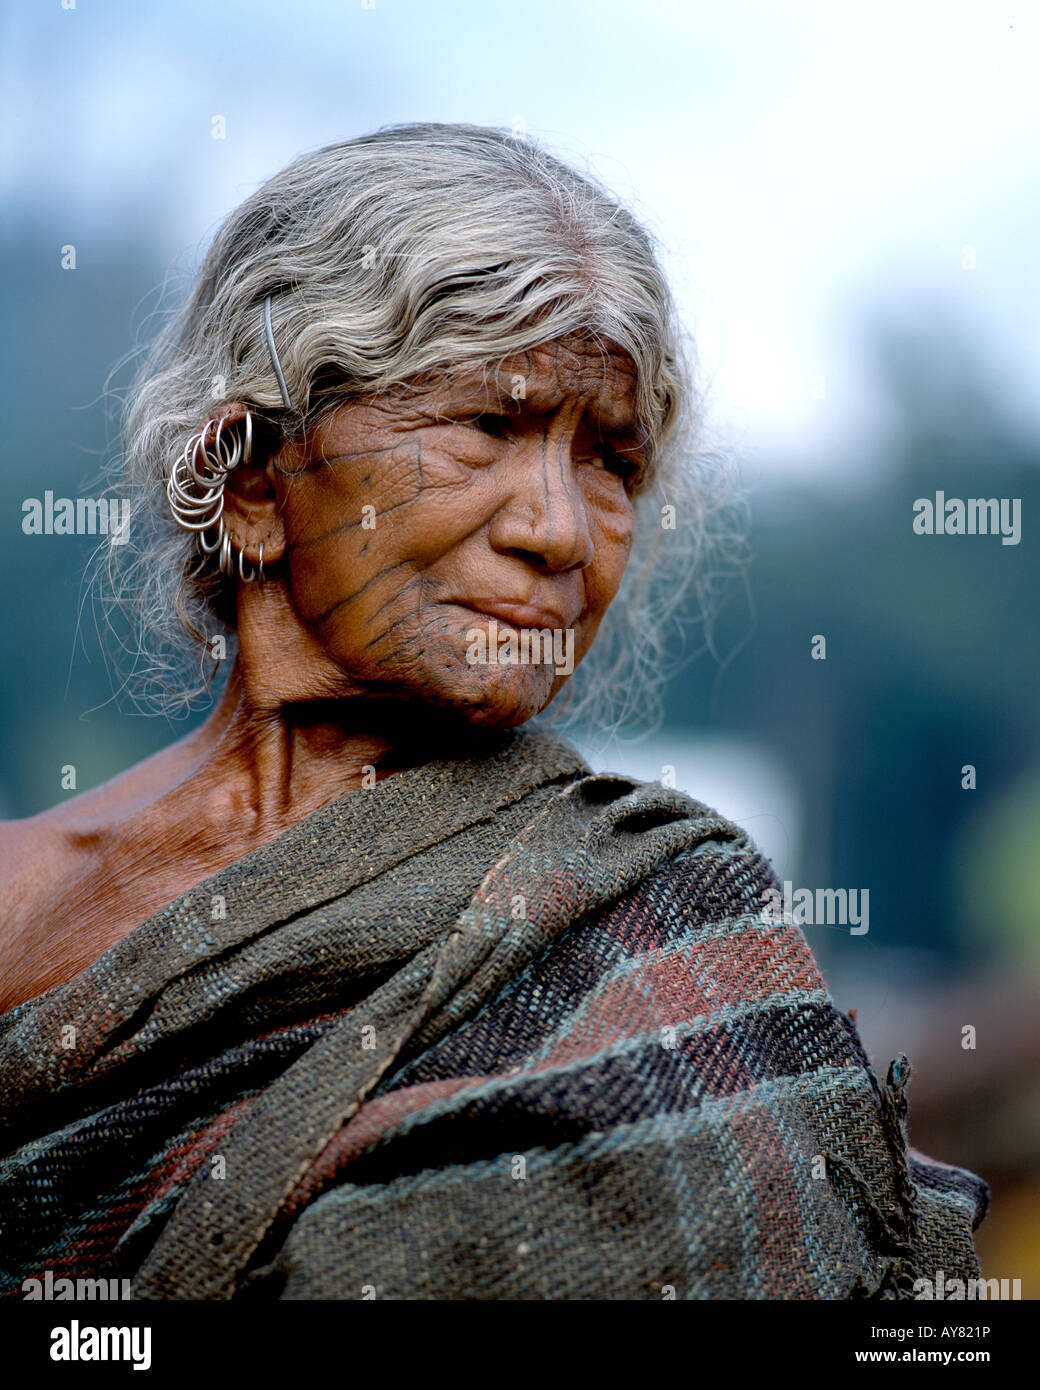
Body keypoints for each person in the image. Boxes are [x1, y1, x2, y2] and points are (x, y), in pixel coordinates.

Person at [0, 123, 986, 1300]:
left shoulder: (656, 920)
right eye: (487, 426)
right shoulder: (19, 903)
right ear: (255, 482)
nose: (560, 531)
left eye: (608, 461)